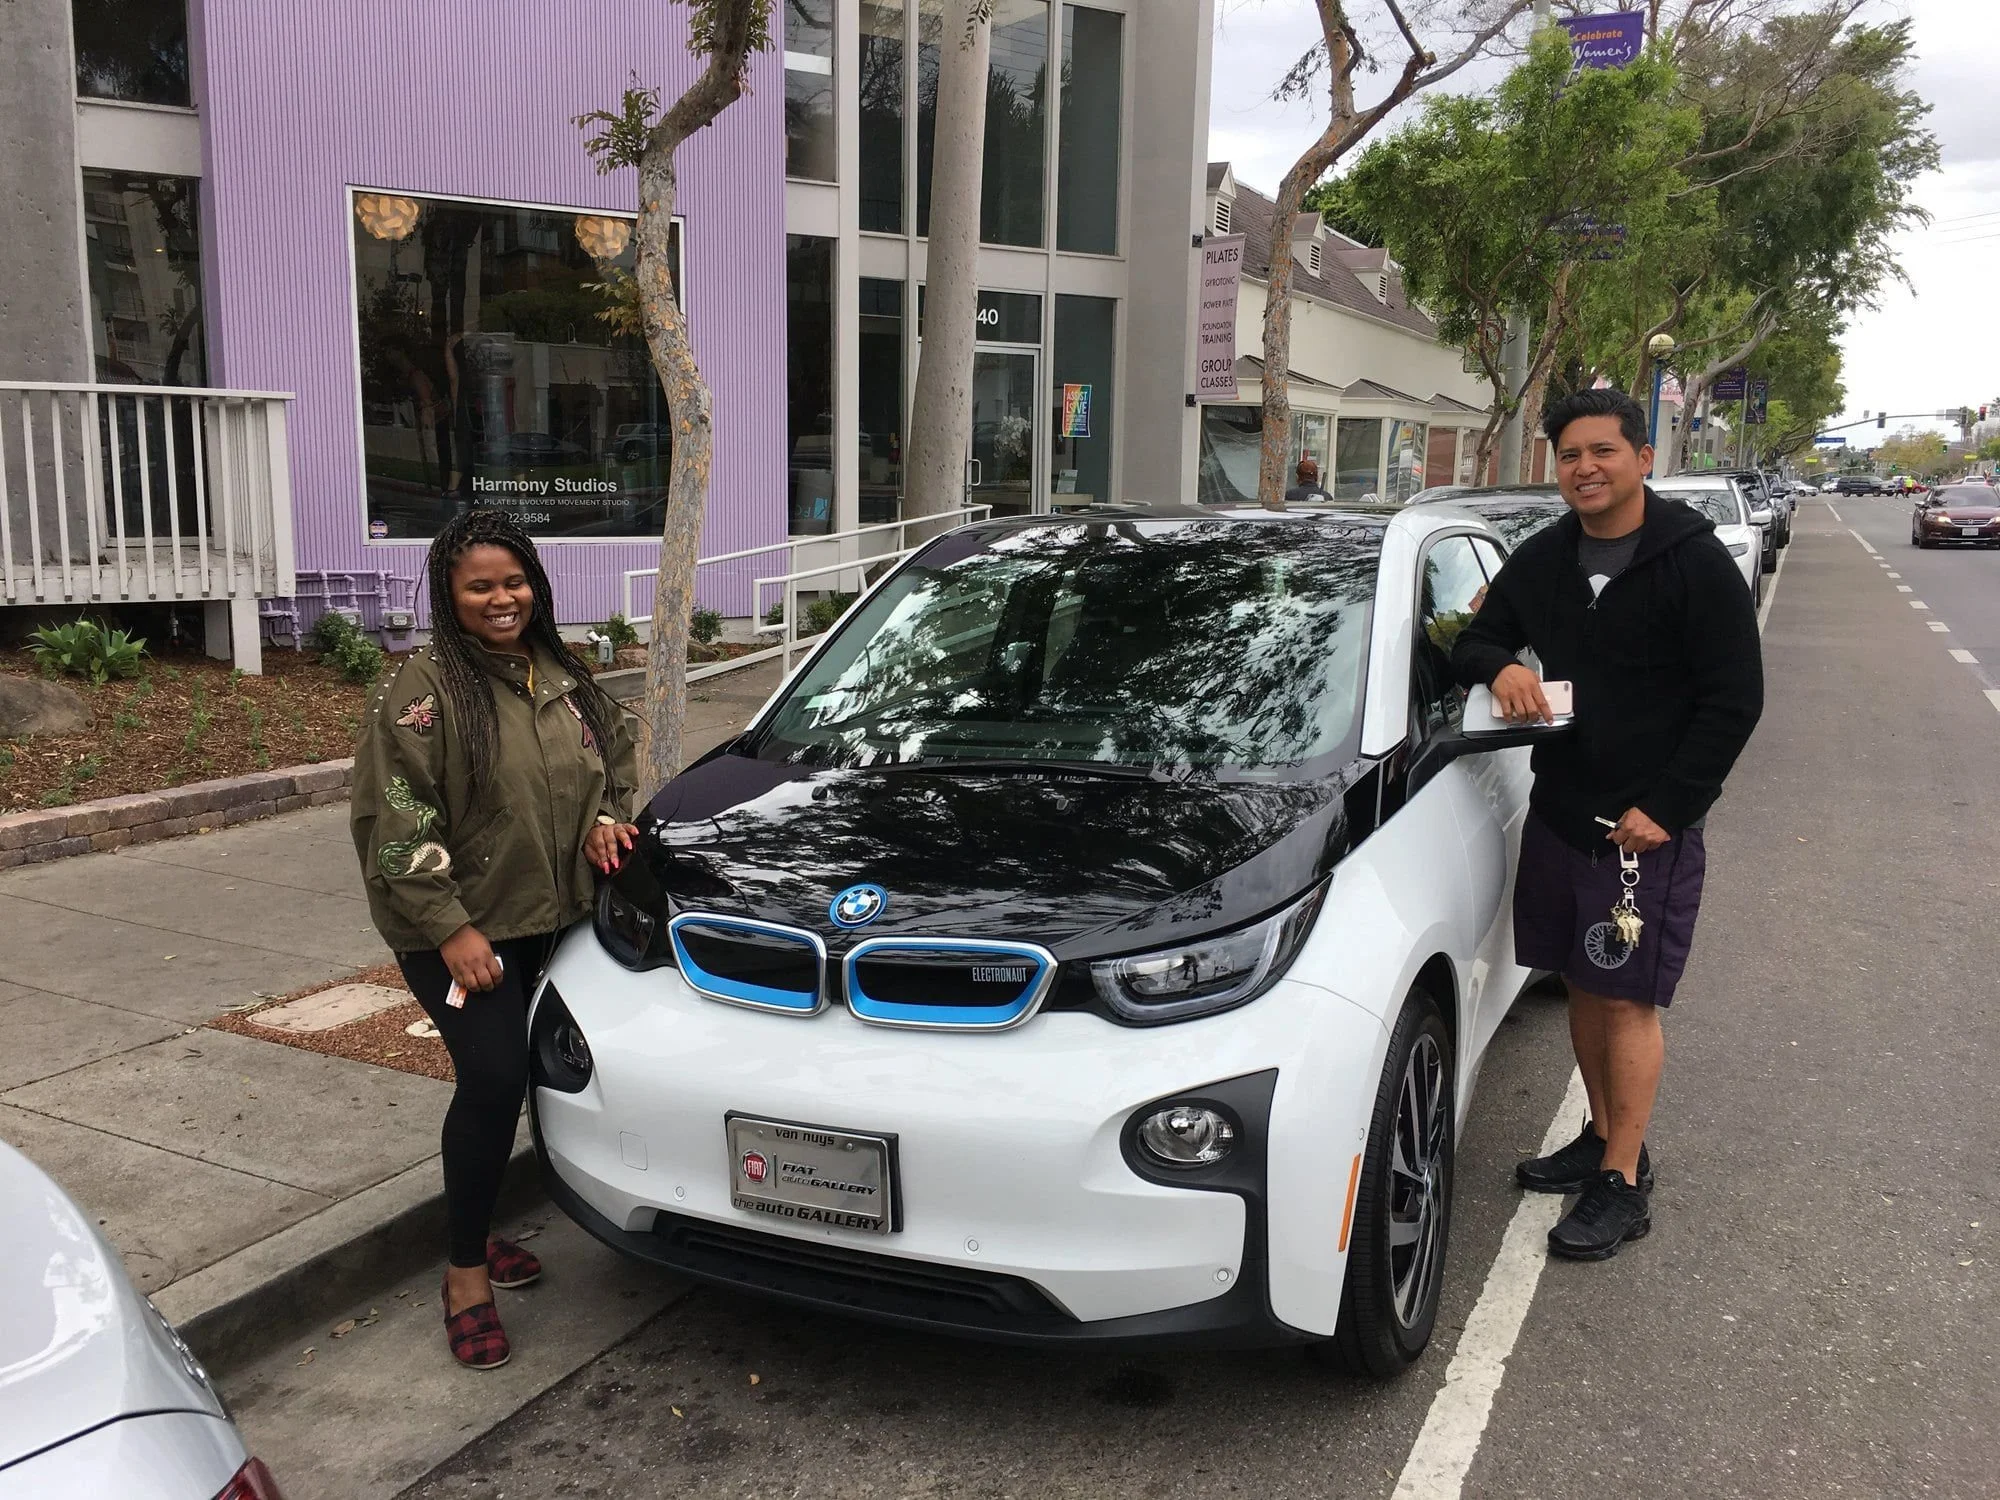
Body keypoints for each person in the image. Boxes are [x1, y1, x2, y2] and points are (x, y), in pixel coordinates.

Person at [1450, 388, 1762, 1260]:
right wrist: (1502, 666)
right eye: (1570, 455)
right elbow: (1471, 641)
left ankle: (1623, 1179)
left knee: (1625, 1000)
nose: (1584, 468)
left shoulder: (1693, 562)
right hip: (1562, 813)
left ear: (1642, 458)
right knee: (1585, 984)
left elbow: (1735, 699)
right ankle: (1599, 1134)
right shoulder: (1546, 557)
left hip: (1642, 830)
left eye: (1603, 451)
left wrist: (1668, 807)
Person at [352, 510, 638, 1367]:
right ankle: (465, 1274)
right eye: (479, 586)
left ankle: (478, 1227)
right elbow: (394, 821)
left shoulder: (561, 672)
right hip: (458, 929)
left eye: (513, 581)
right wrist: (451, 929)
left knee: (536, 1073)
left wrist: (606, 819)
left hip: (554, 915)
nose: (501, 598)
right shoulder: (424, 692)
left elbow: (613, 761)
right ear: (449, 594)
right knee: (492, 1080)